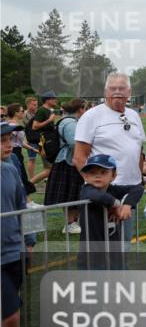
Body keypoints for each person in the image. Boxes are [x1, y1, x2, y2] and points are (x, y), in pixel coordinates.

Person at [74, 72, 146, 242]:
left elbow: (138, 151)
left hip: (129, 193)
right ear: (105, 91)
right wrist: (98, 190)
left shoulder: (134, 116)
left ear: (129, 92)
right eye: (113, 88)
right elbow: (79, 158)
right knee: (99, 248)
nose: (117, 92)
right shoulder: (91, 116)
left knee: (124, 244)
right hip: (101, 195)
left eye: (122, 88)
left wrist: (139, 180)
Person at [2, 121, 43, 327]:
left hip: (14, 252)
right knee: (11, 316)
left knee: (15, 312)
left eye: (9, 139)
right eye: (3, 140)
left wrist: (30, 240)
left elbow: (23, 205)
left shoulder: (11, 169)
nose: (9, 145)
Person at [78, 154, 144, 266]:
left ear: (113, 176)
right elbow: (97, 196)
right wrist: (117, 204)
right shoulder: (87, 189)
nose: (97, 176)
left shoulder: (113, 189)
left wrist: (127, 205)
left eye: (103, 172)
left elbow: (138, 188)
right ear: (86, 177)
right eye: (92, 173)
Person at [45, 99, 86, 234]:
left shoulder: (69, 121)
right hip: (69, 162)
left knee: (74, 193)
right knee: (70, 194)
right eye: (84, 109)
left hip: (69, 161)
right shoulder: (70, 123)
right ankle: (70, 224)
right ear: (80, 109)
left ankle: (73, 222)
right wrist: (80, 159)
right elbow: (75, 144)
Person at [29, 91, 61, 185]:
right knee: (49, 169)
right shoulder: (42, 110)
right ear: (47, 100)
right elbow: (34, 126)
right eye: (53, 98)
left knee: (51, 168)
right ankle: (28, 185)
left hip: (49, 142)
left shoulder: (48, 110)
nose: (56, 100)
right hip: (45, 143)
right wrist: (49, 120)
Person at [22, 97, 39, 179]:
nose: (36, 106)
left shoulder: (38, 112)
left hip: (40, 138)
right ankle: (32, 179)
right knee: (32, 159)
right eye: (34, 105)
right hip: (31, 139)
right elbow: (32, 126)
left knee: (46, 157)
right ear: (28, 105)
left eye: (37, 104)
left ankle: (45, 176)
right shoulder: (25, 114)